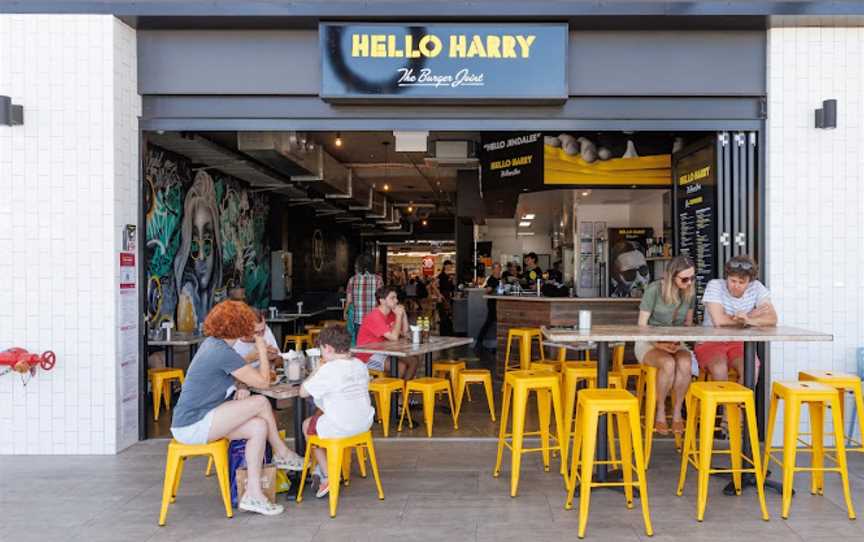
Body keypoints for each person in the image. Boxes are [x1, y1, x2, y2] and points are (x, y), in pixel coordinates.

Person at [170, 300, 303, 517]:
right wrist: (260, 346)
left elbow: (244, 374)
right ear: (239, 326)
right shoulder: (220, 351)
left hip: (205, 416)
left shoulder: (215, 345)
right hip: (192, 424)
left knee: (259, 427)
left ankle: (253, 494)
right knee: (261, 402)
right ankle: (281, 452)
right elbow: (263, 383)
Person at [300, 325, 375, 498]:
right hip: (364, 424)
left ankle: (329, 475)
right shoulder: (360, 365)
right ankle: (323, 467)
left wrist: (317, 369)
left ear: (327, 348)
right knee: (320, 416)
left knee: (307, 425)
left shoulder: (328, 369)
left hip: (342, 427)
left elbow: (303, 392)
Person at [635, 256, 696, 435]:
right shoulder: (654, 290)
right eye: (684, 279)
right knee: (668, 363)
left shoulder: (689, 292)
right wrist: (658, 343)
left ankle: (677, 411)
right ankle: (660, 410)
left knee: (685, 363)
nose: (689, 282)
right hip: (649, 342)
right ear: (671, 277)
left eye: (692, 278)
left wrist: (677, 341)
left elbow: (688, 325)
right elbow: (642, 325)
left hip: (676, 341)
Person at [695, 255, 778, 384]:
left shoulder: (756, 287)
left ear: (749, 281)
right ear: (726, 277)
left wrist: (748, 320)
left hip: (739, 343)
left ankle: (739, 404)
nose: (736, 286)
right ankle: (723, 405)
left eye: (741, 282)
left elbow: (772, 318)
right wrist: (750, 316)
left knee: (751, 370)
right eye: (732, 281)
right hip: (710, 341)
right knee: (719, 370)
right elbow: (719, 321)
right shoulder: (715, 285)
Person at [174, 171, 223, 332]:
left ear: (216, 247)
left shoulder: (220, 300)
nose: (201, 256)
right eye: (194, 245)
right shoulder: (186, 296)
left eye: (207, 243)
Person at [355, 285, 419, 379]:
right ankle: (395, 392)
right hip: (368, 355)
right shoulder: (375, 316)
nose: (396, 301)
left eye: (396, 298)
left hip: (385, 351)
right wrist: (398, 316)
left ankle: (403, 390)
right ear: (382, 300)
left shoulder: (391, 314)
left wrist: (403, 314)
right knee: (401, 366)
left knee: (414, 360)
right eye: (392, 298)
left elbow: (405, 334)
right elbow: (394, 337)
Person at [345, 254, 383, 343]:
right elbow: (381, 300)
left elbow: (349, 301)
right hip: (375, 319)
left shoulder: (352, 280)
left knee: (360, 344)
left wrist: (345, 311)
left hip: (358, 320)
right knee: (374, 345)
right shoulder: (378, 279)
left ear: (359, 266)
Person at [475, 262, 502, 352]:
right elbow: (487, 290)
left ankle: (480, 343)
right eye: (495, 268)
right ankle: (479, 343)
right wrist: (492, 289)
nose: (497, 270)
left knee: (491, 323)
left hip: (499, 304)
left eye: (498, 268)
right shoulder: (491, 279)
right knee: (489, 323)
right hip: (492, 304)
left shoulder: (501, 279)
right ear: (493, 270)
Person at [437, 260, 455, 336]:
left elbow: (452, 287)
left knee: (449, 315)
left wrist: (452, 280)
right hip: (443, 297)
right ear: (444, 266)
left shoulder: (451, 275)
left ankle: (449, 332)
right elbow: (433, 285)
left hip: (449, 297)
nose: (449, 267)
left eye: (450, 266)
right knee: (443, 315)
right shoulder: (441, 276)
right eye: (448, 266)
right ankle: (443, 333)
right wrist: (439, 295)